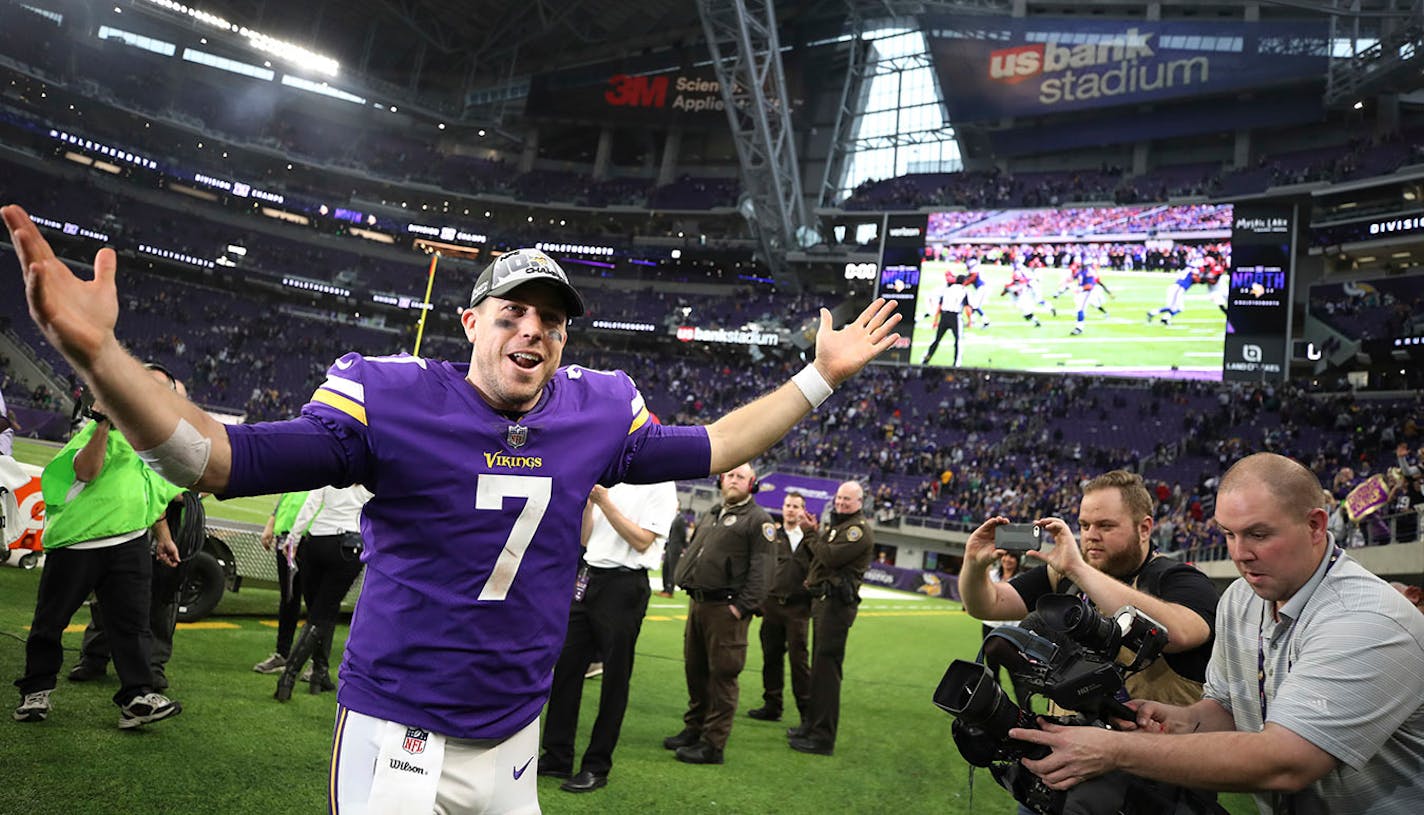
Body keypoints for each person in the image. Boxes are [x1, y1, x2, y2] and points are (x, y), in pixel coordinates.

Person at [3, 205, 900, 814]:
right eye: (513, 311)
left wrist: (821, 375)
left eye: (551, 321)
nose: (533, 331)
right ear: (472, 322)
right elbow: (218, 458)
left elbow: (718, 444)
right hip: (400, 721)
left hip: (512, 730)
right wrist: (98, 354)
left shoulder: (597, 408)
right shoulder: (390, 396)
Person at [1010, 453, 1424, 815]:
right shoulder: (1241, 599)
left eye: (1259, 534)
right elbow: (1227, 708)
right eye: (1228, 534)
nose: (1240, 553)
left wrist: (1113, 751)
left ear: (1316, 525)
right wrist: (1184, 720)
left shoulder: (1366, 619)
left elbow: (1286, 762)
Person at [959, 470, 1218, 710]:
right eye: (1084, 526)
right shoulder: (1063, 575)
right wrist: (973, 564)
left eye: (1105, 526)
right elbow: (986, 604)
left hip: (1151, 752)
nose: (1090, 536)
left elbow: (1180, 633)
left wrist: (1079, 569)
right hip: (1072, 747)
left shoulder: (1179, 578)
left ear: (1144, 528)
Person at [12, 366, 184, 728]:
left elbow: (152, 495)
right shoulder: (97, 429)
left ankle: (136, 698)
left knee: (133, 627)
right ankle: (36, 691)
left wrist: (164, 537)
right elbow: (86, 472)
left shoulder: (155, 445)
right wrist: (104, 425)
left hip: (131, 542)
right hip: (79, 541)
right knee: (51, 622)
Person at [539, 478, 678, 792]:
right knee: (566, 670)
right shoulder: (608, 476)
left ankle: (596, 765)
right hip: (590, 576)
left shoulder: (660, 484)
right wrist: (589, 505)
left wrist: (604, 502)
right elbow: (586, 539)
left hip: (625, 584)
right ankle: (557, 755)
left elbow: (642, 540)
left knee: (615, 679)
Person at [68, 365, 197, 692]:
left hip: (173, 516)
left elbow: (200, 481)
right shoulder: (130, 427)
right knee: (109, 592)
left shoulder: (183, 435)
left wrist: (179, 491)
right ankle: (94, 656)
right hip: (129, 517)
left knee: (162, 599)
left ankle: (153, 667)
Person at [664, 463, 775, 765]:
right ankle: (694, 728)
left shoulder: (759, 520)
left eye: (741, 476)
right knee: (695, 670)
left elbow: (763, 571)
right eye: (730, 475)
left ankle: (713, 745)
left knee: (723, 676)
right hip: (699, 604)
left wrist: (741, 608)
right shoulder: (713, 513)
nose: (734, 480)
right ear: (721, 480)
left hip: (726, 610)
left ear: (752, 483)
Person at [788, 480, 874, 756]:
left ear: (859, 503)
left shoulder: (856, 531)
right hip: (824, 603)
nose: (841, 503)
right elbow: (821, 558)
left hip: (836, 605)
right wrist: (817, 535)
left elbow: (828, 557)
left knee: (826, 674)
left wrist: (812, 534)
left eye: (847, 500)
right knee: (818, 670)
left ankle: (823, 738)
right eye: (839, 498)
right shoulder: (839, 526)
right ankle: (811, 727)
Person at [274, 483, 371, 701]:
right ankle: (289, 676)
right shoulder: (371, 477)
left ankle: (320, 672)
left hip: (317, 541)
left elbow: (310, 505)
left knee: (319, 612)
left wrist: (293, 539)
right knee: (321, 614)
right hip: (349, 545)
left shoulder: (333, 472)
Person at [748, 490, 815, 724]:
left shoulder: (811, 538)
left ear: (803, 511)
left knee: (799, 661)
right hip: (772, 606)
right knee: (771, 657)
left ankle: (807, 711)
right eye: (787, 505)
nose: (790, 509)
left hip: (798, 609)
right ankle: (772, 705)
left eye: (796, 506)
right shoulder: (771, 535)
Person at [251, 491, 317, 675]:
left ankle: (316, 662)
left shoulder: (322, 466)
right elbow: (284, 498)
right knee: (288, 598)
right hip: (287, 537)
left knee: (315, 603)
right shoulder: (297, 466)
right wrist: (271, 524)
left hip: (310, 537)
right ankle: (282, 654)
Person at [920, 269, 967, 367]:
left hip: (944, 317)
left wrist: (935, 321)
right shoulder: (963, 290)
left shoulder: (947, 290)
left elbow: (939, 307)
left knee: (936, 340)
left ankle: (926, 359)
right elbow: (968, 307)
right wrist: (970, 321)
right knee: (958, 340)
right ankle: (956, 363)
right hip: (955, 317)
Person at [658, 506, 689, 598]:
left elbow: (683, 533)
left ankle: (670, 590)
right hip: (669, 545)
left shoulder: (680, 519)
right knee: (665, 568)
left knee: (672, 569)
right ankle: (665, 588)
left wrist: (684, 546)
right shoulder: (670, 517)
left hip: (676, 547)